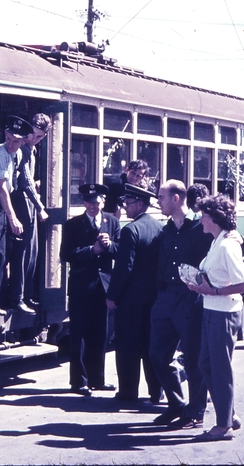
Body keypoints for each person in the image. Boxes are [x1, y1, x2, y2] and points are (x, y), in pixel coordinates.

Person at [149, 180, 213, 429]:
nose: (158, 202)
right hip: (166, 298)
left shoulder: (200, 228)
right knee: (156, 353)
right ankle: (176, 403)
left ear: (176, 198)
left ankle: (196, 410)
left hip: (190, 298)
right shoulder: (166, 231)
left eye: (161, 197)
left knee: (194, 357)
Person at [185, 194, 244, 441]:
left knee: (219, 368)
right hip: (213, 310)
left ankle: (223, 425)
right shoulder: (217, 241)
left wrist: (211, 290)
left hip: (223, 312)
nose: (200, 219)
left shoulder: (226, 245)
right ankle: (229, 413)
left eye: (203, 215)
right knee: (206, 363)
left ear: (215, 218)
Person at [60, 183, 120, 396]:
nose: (93, 206)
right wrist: (91, 251)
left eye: (97, 202)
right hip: (81, 285)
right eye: (89, 202)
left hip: (103, 285)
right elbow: (66, 255)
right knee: (79, 334)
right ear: (83, 202)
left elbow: (120, 251)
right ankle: (79, 381)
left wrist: (110, 245)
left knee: (100, 333)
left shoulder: (112, 222)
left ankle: (98, 379)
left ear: (103, 202)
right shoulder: (73, 224)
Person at [106, 183, 163, 403]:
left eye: (128, 204)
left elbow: (124, 268)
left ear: (140, 204)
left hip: (130, 301)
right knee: (151, 346)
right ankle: (156, 391)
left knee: (128, 347)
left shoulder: (131, 230)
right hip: (153, 298)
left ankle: (128, 391)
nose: (125, 208)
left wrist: (113, 296)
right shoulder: (159, 227)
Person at [0, 115, 34, 314]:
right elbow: (1, 187)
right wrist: (12, 217)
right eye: (10, 139)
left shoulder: (19, 153)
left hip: (3, 206)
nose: (12, 144)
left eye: (17, 141)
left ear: (23, 141)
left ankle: (10, 300)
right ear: (5, 134)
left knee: (5, 255)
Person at [17, 113, 51, 308]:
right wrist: (40, 207)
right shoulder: (24, 149)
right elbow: (26, 181)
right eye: (32, 134)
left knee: (32, 251)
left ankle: (26, 294)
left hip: (29, 203)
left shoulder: (32, 149)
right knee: (25, 251)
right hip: (23, 203)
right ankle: (20, 296)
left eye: (38, 136)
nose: (33, 139)